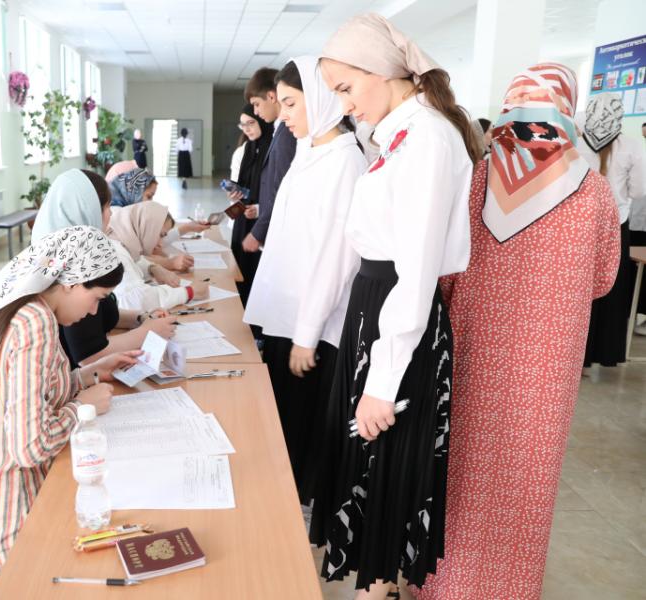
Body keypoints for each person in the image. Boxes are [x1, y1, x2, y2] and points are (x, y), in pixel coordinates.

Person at [416, 64, 620, 600]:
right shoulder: (594, 191)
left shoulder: (476, 180)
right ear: (567, 110)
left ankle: (446, 584)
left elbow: (444, 272)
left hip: (475, 354)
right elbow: (603, 279)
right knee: (528, 475)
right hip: (549, 366)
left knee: (463, 469)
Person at [307, 14, 478, 599]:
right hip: (373, 308)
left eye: (346, 88)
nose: (344, 105)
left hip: (397, 313)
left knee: (382, 469)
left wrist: (383, 382)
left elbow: (418, 270)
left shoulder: (427, 137)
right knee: (365, 467)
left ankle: (376, 591)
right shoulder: (396, 135)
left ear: (381, 71)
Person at [0, 226, 143, 582]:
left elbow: (33, 393)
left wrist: (93, 373)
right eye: (97, 298)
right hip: (8, 532)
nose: (94, 311)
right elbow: (30, 447)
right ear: (70, 283)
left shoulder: (10, 303)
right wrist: (81, 408)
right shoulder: (34, 321)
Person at [243, 56, 366, 500]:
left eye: (292, 103)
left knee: (301, 423)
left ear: (322, 99)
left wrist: (307, 334)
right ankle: (284, 494)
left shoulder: (345, 162)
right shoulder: (311, 150)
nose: (284, 114)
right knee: (283, 418)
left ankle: (295, 507)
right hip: (288, 312)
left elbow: (336, 257)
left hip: (311, 322)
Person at [30, 169, 177, 368]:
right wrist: (148, 333)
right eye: (107, 207)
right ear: (87, 210)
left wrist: (141, 318)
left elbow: (100, 312)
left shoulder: (83, 251)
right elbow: (88, 354)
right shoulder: (68, 265)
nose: (112, 213)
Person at [579, 92, 645, 368]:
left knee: (578, 288)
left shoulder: (574, 143)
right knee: (611, 288)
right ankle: (602, 352)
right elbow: (639, 190)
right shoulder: (632, 147)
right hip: (616, 225)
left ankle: (575, 354)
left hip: (578, 225)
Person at [234, 67, 298, 253]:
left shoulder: (286, 133)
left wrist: (257, 232)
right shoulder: (279, 131)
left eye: (256, 104)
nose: (256, 111)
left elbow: (280, 188)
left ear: (271, 97)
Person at [108, 202, 209, 310]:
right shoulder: (116, 252)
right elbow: (138, 300)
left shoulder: (124, 242)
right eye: (160, 235)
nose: (161, 244)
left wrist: (152, 268)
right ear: (146, 228)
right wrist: (189, 292)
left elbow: (133, 262)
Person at [230, 104, 274, 308]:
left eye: (251, 123)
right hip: (242, 221)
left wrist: (258, 208)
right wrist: (234, 196)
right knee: (240, 269)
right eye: (243, 125)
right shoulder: (244, 150)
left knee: (259, 273)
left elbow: (277, 190)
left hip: (263, 221)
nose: (247, 129)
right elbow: (239, 188)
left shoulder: (273, 149)